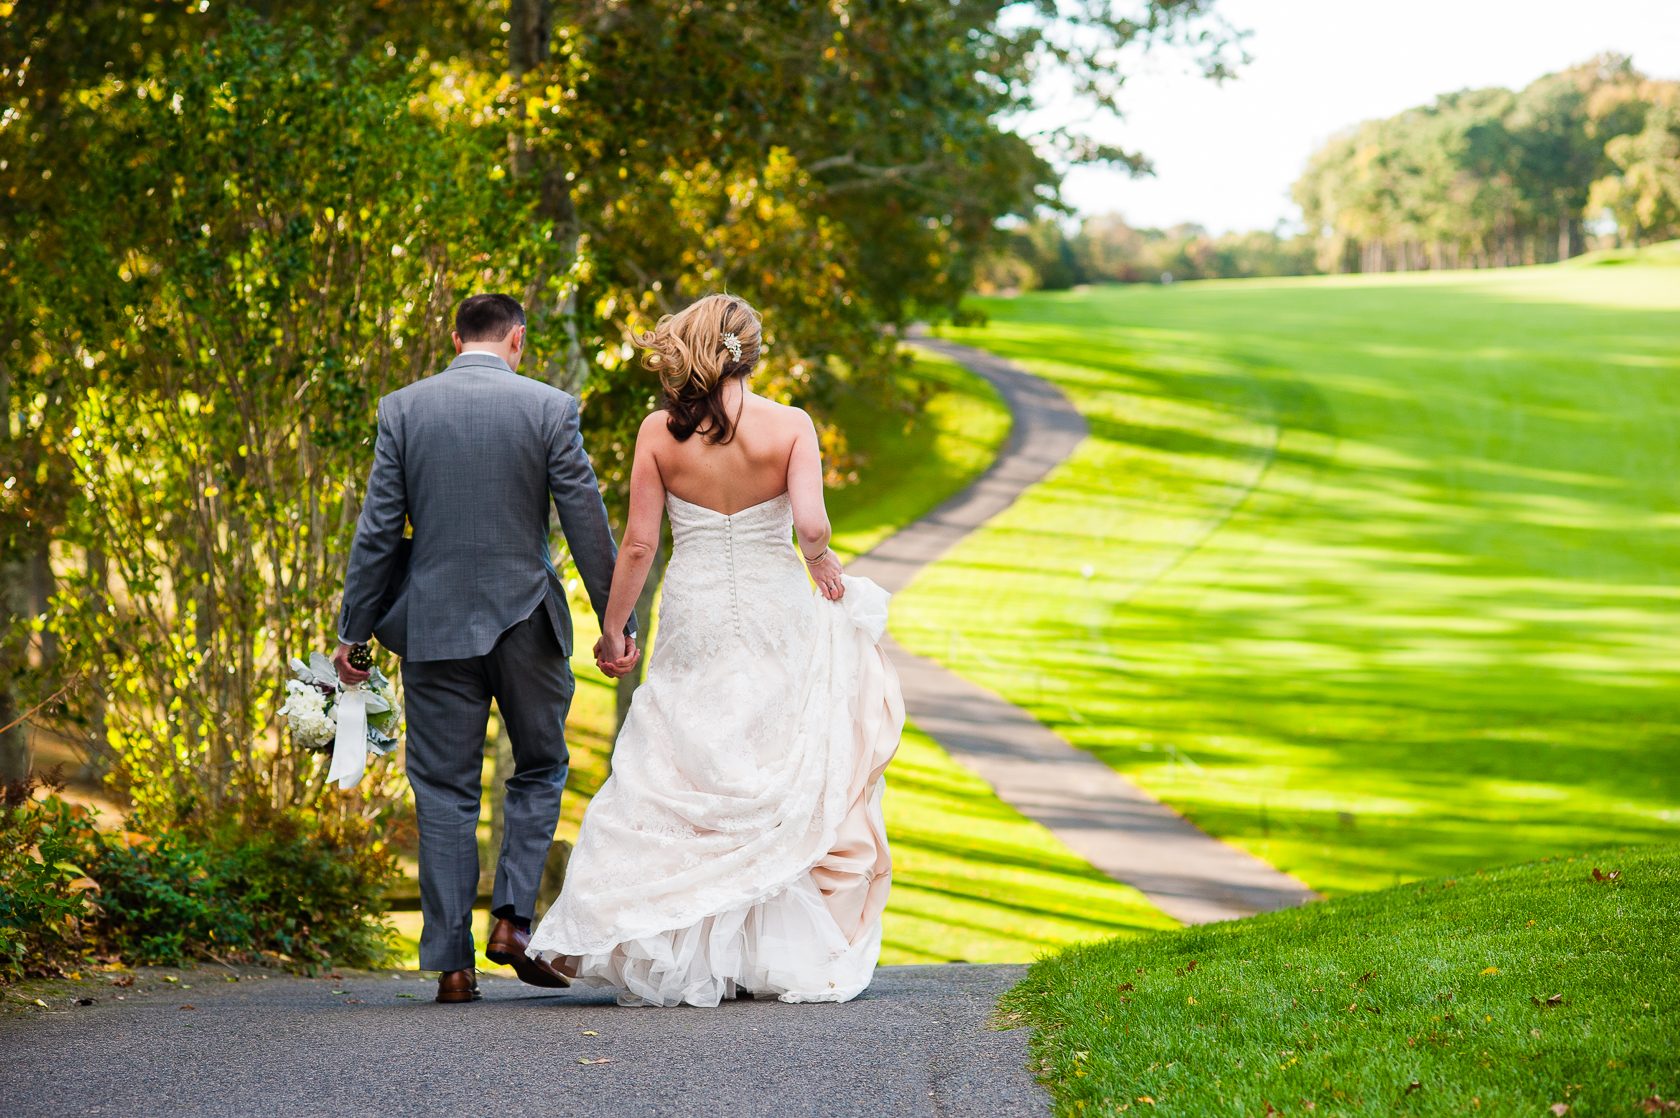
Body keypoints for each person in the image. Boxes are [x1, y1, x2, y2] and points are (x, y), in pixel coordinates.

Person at [525, 293, 904, 1006]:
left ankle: (682, 943)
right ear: (752, 353)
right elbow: (814, 528)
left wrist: (614, 630)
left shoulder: (658, 434)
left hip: (695, 607)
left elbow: (638, 544)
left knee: (684, 753)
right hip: (773, 606)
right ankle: (762, 950)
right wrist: (821, 565)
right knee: (766, 755)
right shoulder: (790, 426)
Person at [332, 293, 635, 1004]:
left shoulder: (403, 409)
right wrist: (612, 622)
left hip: (433, 629)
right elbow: (586, 520)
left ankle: (452, 966)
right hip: (527, 621)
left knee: (442, 789)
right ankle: (511, 920)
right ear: (517, 341)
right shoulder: (549, 409)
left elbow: (377, 532)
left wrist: (354, 630)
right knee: (539, 766)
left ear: (455, 338)